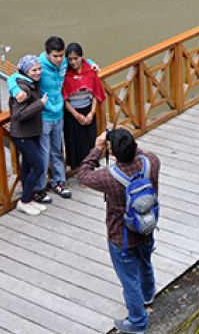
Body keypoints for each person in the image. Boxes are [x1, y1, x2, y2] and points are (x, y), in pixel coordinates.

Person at [79, 129, 160, 334]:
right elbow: (139, 152)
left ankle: (138, 322)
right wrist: (126, 141)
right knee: (145, 261)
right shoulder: (151, 161)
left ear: (113, 153)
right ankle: (148, 294)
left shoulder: (108, 177)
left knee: (129, 280)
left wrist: (97, 149)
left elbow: (83, 175)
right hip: (147, 227)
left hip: (121, 237)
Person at [7, 36, 98, 200]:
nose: (59, 59)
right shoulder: (39, 66)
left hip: (59, 114)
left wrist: (91, 63)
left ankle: (58, 182)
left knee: (57, 150)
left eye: (61, 55)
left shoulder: (63, 63)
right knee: (44, 152)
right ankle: (39, 188)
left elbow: (79, 60)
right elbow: (13, 77)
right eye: (55, 56)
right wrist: (15, 90)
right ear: (47, 54)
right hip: (43, 116)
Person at [9, 55, 50, 216]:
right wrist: (40, 104)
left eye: (39, 69)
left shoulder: (30, 84)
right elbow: (17, 114)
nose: (38, 72)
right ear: (26, 71)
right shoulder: (24, 89)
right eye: (34, 70)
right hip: (22, 134)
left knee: (27, 166)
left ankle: (28, 198)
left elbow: (12, 77)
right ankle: (24, 201)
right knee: (39, 166)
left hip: (31, 132)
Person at [62, 42, 106, 170]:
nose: (73, 62)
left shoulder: (90, 72)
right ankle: (78, 171)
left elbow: (95, 94)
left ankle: (89, 168)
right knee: (74, 143)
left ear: (82, 57)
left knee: (90, 142)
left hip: (88, 110)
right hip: (72, 113)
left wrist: (91, 113)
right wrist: (76, 115)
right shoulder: (64, 74)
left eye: (76, 58)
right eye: (70, 59)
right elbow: (64, 98)